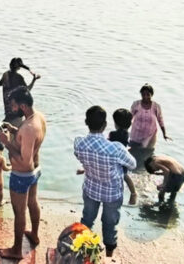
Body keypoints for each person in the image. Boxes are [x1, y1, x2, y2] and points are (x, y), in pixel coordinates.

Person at [74, 105, 136, 258]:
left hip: (90, 189)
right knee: (109, 225)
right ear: (105, 125)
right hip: (112, 193)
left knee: (87, 220)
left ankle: (84, 253)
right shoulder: (116, 148)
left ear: (86, 122)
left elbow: (84, 159)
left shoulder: (78, 144)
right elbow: (133, 165)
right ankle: (109, 255)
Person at [0, 86, 47, 260]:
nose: (11, 108)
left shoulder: (28, 128)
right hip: (36, 170)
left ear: (23, 106)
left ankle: (16, 250)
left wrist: (6, 142)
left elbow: (25, 161)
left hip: (22, 175)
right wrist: (13, 130)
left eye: (14, 105)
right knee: (33, 202)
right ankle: (34, 234)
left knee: (19, 212)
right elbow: (28, 141)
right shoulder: (38, 117)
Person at [0, 58, 40, 126]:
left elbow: (0, 83)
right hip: (16, 112)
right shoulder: (19, 77)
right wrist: (34, 80)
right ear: (19, 68)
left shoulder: (5, 74)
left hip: (7, 109)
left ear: (10, 65)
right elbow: (27, 90)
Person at [130, 83, 170, 151]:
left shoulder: (156, 106)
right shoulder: (136, 104)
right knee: (134, 152)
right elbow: (129, 117)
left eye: (148, 94)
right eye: (143, 94)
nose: (145, 97)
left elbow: (160, 120)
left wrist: (164, 134)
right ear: (141, 94)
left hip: (150, 136)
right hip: (136, 135)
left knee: (148, 154)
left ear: (151, 94)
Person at [110, 108, 137, 205]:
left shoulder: (112, 134)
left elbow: (109, 145)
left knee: (114, 175)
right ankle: (133, 194)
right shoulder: (127, 134)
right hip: (123, 158)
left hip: (114, 159)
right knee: (125, 176)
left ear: (115, 123)